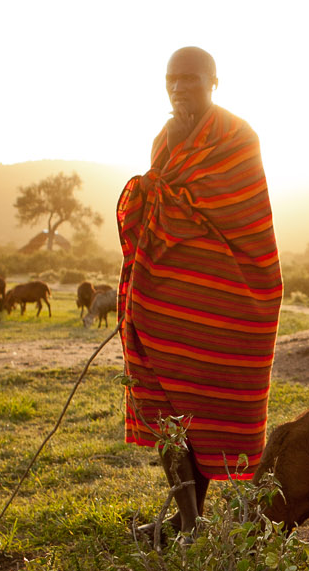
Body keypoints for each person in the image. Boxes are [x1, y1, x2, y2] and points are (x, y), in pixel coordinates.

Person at [116, 46, 283, 528]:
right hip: (161, 295)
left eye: (190, 78)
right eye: (171, 79)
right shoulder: (163, 141)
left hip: (223, 292)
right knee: (164, 403)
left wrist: (163, 198)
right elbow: (165, 209)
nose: (179, 87)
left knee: (199, 409)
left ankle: (189, 523)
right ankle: (187, 521)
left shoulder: (236, 137)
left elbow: (236, 214)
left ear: (214, 81)